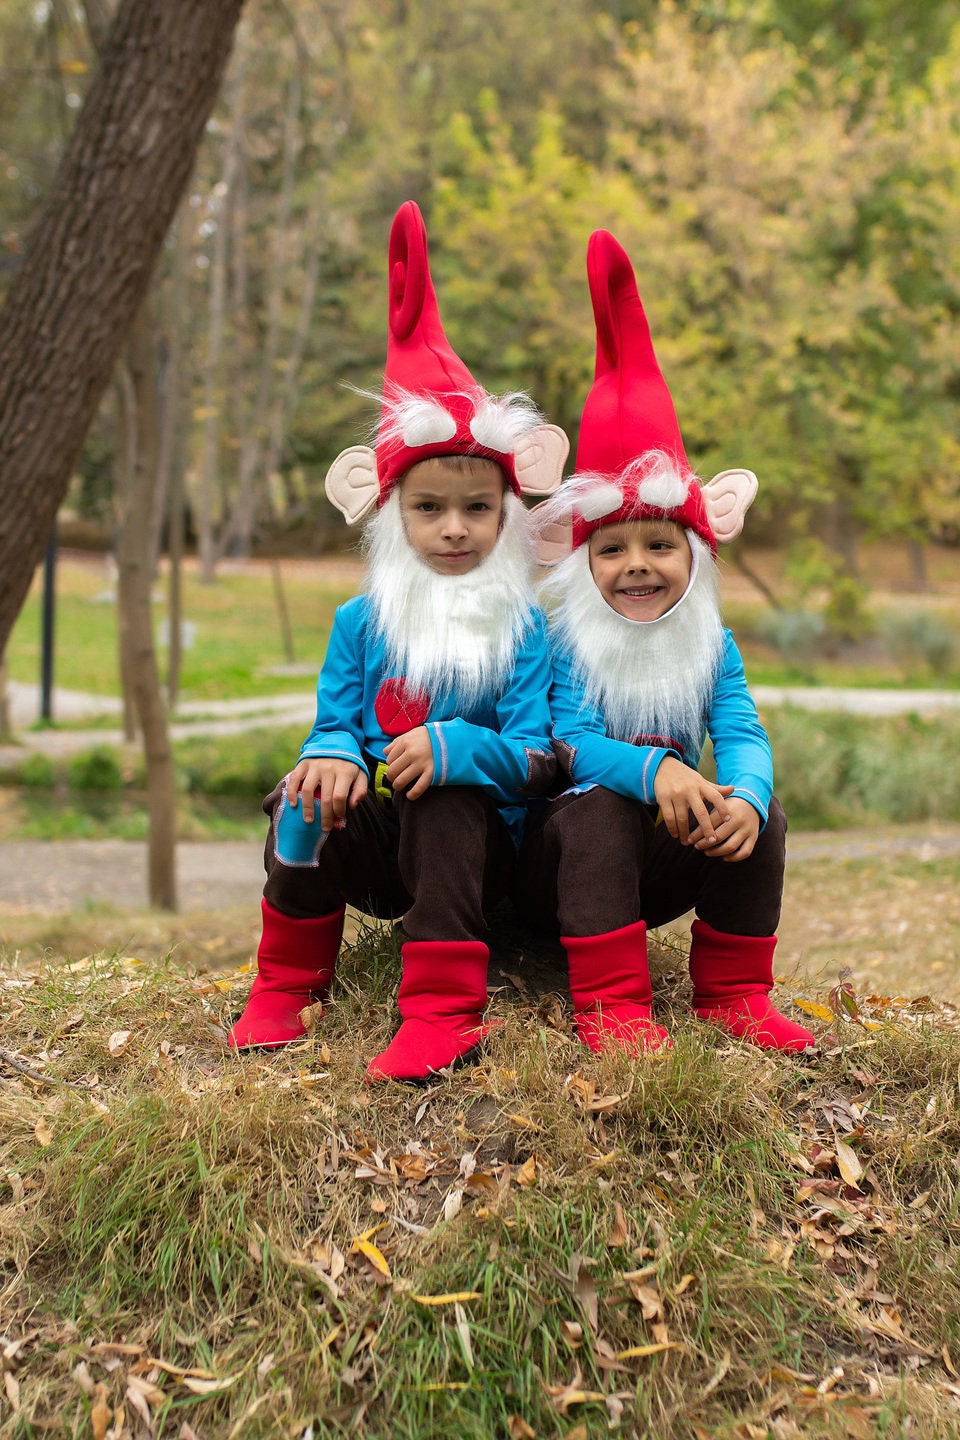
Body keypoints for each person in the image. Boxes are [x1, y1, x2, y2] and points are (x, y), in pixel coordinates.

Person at [227, 201, 569, 1082]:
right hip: (381, 855)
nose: (454, 529)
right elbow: (337, 720)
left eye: (477, 508)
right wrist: (334, 755)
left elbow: (539, 758)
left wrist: (459, 748)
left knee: (445, 790)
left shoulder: (523, 627)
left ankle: (445, 1009)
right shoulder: (359, 624)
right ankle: (288, 980)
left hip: (482, 857)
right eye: (428, 508)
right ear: (393, 515)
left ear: (506, 513)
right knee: (298, 792)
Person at [518, 229, 815, 1056]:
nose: (636, 566)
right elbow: (571, 744)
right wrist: (658, 769)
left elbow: (743, 734)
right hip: (556, 868)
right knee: (604, 805)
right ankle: (614, 1005)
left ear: (695, 553)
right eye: (611, 550)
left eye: (659, 546)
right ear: (585, 563)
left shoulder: (710, 644)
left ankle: (733, 991)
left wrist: (746, 796)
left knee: (770, 815)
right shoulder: (567, 642)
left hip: (656, 870)